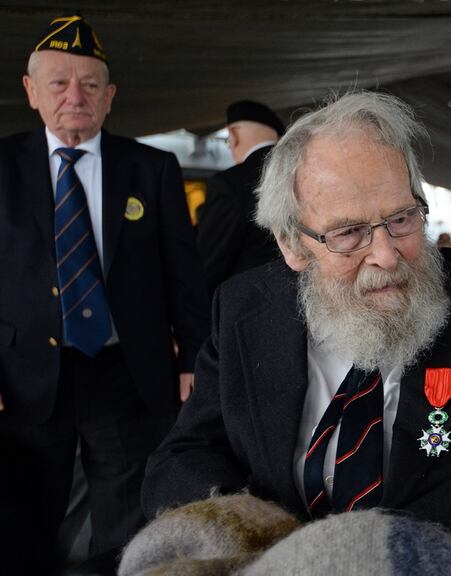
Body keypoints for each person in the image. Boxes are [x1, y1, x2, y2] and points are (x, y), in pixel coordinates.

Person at [142, 91, 451, 554]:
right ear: (292, 246)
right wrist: (258, 538)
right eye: (348, 233)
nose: (386, 255)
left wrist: (385, 547)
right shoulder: (244, 311)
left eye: (402, 219)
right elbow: (183, 458)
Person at [0, 13, 210, 573]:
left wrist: (192, 356)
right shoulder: (1, 168)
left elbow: (183, 277)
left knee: (126, 518)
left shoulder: (152, 169)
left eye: (90, 84)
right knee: (23, 514)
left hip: (125, 371)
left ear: (110, 95)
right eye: (59, 83)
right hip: (22, 375)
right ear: (31, 91)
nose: (76, 96)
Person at [195, 100, 285, 292]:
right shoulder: (303, 171)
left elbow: (209, 262)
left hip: (252, 303)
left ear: (233, 136)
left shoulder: (230, 183)